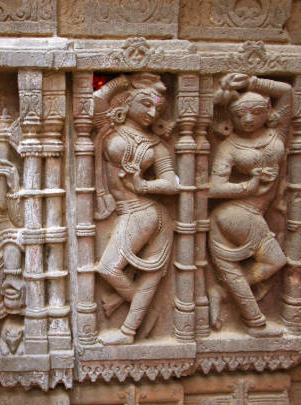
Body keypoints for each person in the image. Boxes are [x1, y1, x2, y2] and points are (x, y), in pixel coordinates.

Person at [93, 73, 178, 345]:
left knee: (108, 268)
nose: (152, 113)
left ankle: (135, 322)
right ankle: (139, 321)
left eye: (158, 109)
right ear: (127, 103)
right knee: (115, 270)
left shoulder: (155, 145)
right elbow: (94, 101)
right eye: (145, 104)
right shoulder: (109, 126)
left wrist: (142, 185)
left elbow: (171, 183)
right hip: (127, 211)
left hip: (141, 211)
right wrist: (123, 82)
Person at [208, 73, 292, 337]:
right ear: (231, 118)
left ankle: (224, 293)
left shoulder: (277, 132)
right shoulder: (229, 146)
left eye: (256, 112)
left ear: (267, 112)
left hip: (255, 212)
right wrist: (249, 185)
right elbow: (212, 187)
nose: (248, 119)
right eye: (240, 114)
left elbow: (289, 93)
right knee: (276, 260)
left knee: (274, 262)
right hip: (237, 212)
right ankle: (251, 319)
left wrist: (252, 83)